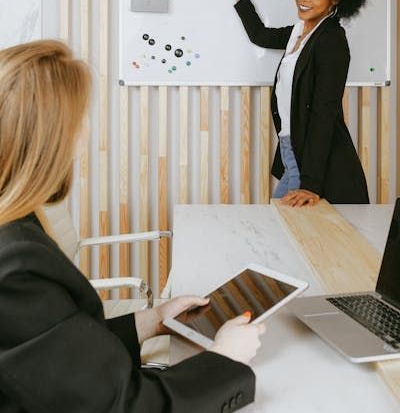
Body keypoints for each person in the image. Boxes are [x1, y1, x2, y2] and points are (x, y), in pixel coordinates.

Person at [0, 40, 265, 413]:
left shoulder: (17, 224)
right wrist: (226, 358)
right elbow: (129, 406)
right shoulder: (14, 268)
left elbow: (56, 354)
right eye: (78, 119)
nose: (86, 131)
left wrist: (152, 321)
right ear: (45, 140)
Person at [222, 0, 373, 207]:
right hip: (293, 152)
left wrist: (310, 184)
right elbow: (259, 34)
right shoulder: (300, 32)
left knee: (283, 229)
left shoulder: (331, 42)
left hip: (315, 162)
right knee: (284, 230)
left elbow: (323, 113)